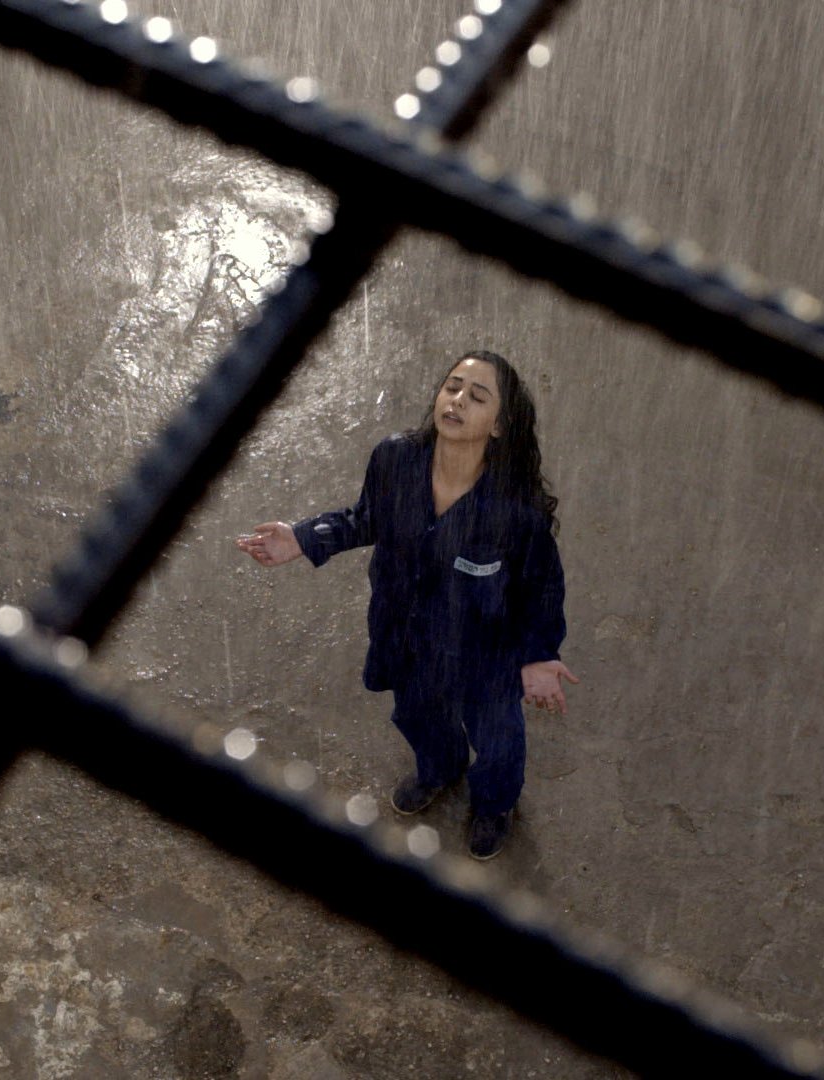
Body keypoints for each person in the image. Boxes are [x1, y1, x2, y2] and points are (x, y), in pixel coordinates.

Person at [237, 350, 578, 859]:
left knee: (499, 741)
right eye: (452, 386)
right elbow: (367, 518)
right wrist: (305, 538)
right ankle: (440, 769)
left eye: (477, 396)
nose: (458, 400)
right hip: (409, 637)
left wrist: (539, 654)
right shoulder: (395, 459)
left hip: (486, 656)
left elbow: (543, 588)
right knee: (421, 718)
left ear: (500, 426)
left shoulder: (514, 511)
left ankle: (493, 804)